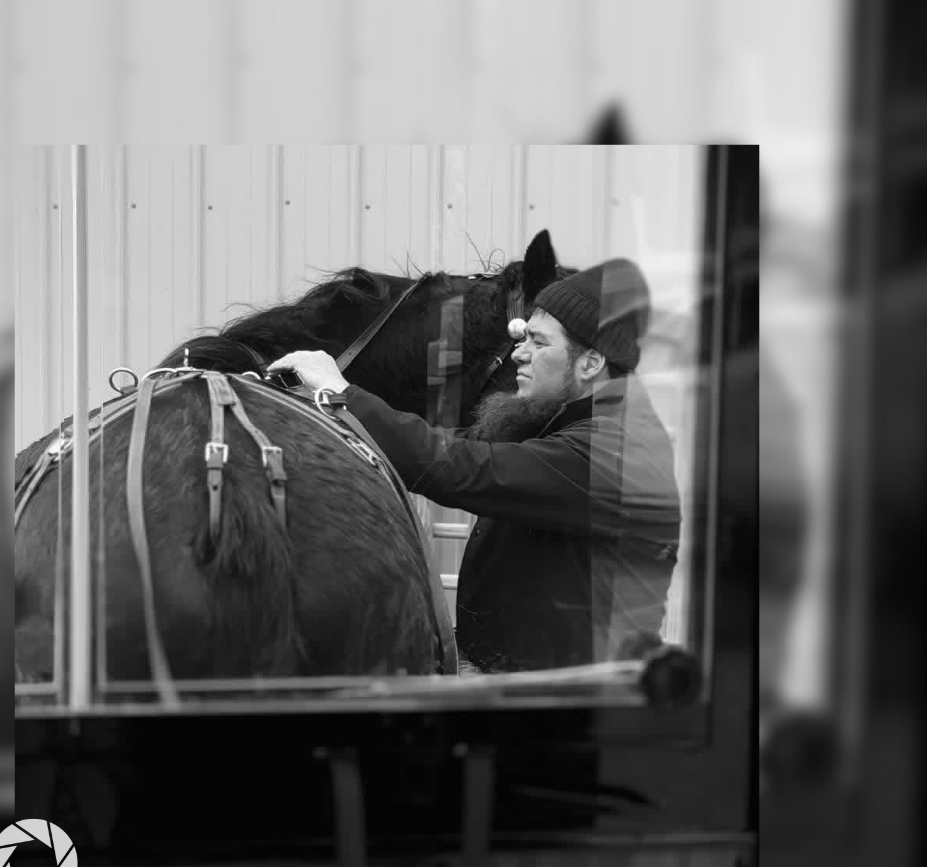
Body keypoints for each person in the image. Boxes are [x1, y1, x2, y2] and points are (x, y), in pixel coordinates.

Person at [267, 258, 681, 673]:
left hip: (571, 700)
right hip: (524, 684)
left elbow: (462, 467)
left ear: (591, 363)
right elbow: (454, 445)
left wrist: (344, 393)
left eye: (538, 343)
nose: (519, 353)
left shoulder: (617, 449)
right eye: (524, 338)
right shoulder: (562, 422)